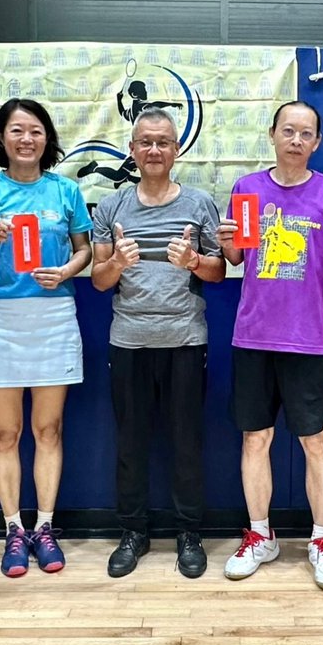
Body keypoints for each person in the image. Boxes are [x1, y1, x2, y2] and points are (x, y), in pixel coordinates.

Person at [217, 100, 323, 591]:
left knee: (315, 442)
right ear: (273, 134)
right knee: (255, 439)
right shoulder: (247, 188)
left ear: (317, 142)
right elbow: (237, 257)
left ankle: (322, 539)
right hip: (253, 335)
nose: (296, 140)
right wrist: (226, 241)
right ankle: (260, 535)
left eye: (306, 133)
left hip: (308, 338)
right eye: (288, 131)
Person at [0, 98, 92, 577]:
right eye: (16, 130)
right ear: (1, 137)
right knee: (5, 432)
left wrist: (66, 271)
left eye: (35, 130)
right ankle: (14, 530)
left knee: (48, 430)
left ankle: (45, 527)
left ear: (47, 138)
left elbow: (85, 250)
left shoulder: (65, 191)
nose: (26, 139)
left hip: (53, 317)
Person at [90, 108, 225, 578]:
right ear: (132, 149)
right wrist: (117, 264)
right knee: (130, 443)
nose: (154, 150)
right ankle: (133, 532)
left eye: (163, 142)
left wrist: (194, 261)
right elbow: (99, 280)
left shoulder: (200, 204)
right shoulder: (111, 207)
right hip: (128, 341)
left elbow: (220, 270)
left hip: (185, 339)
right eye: (145, 142)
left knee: (187, 442)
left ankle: (189, 532)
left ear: (176, 149)